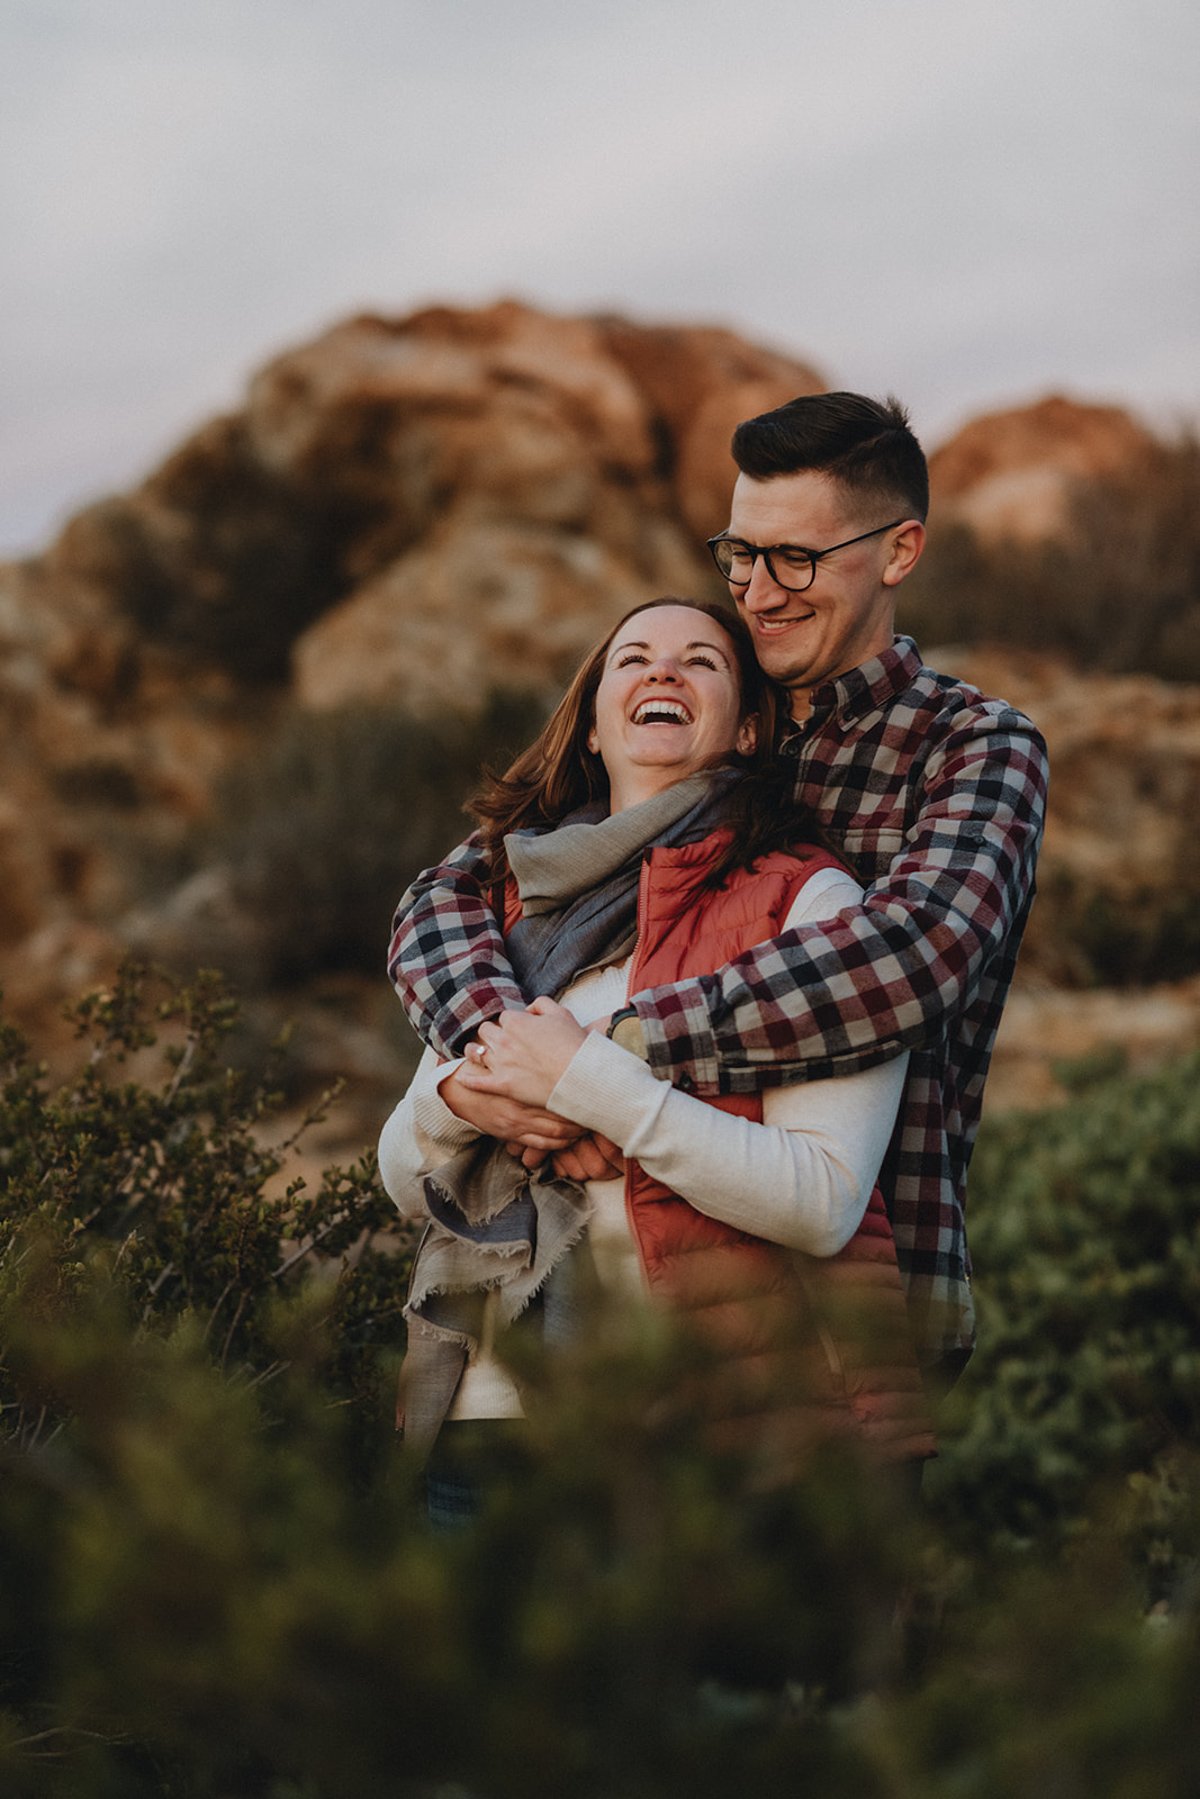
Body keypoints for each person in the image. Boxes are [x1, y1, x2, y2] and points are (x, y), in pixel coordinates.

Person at [388, 394, 1049, 1391]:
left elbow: (917, 952)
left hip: (858, 1311)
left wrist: (600, 1064)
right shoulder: (705, 711)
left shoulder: (971, 746)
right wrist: (504, 1064)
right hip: (595, 1320)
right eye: (740, 554)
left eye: (796, 557)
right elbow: (454, 891)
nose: (759, 590)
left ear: (900, 551)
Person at [378, 599, 934, 1513]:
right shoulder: (504, 918)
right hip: (491, 1424)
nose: (663, 672)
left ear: (752, 726)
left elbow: (824, 1201)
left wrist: (589, 1088)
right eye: (632, 658)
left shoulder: (809, 901)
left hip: (720, 1425)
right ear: (594, 726)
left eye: (701, 662)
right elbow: (406, 1172)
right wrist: (468, 1100)